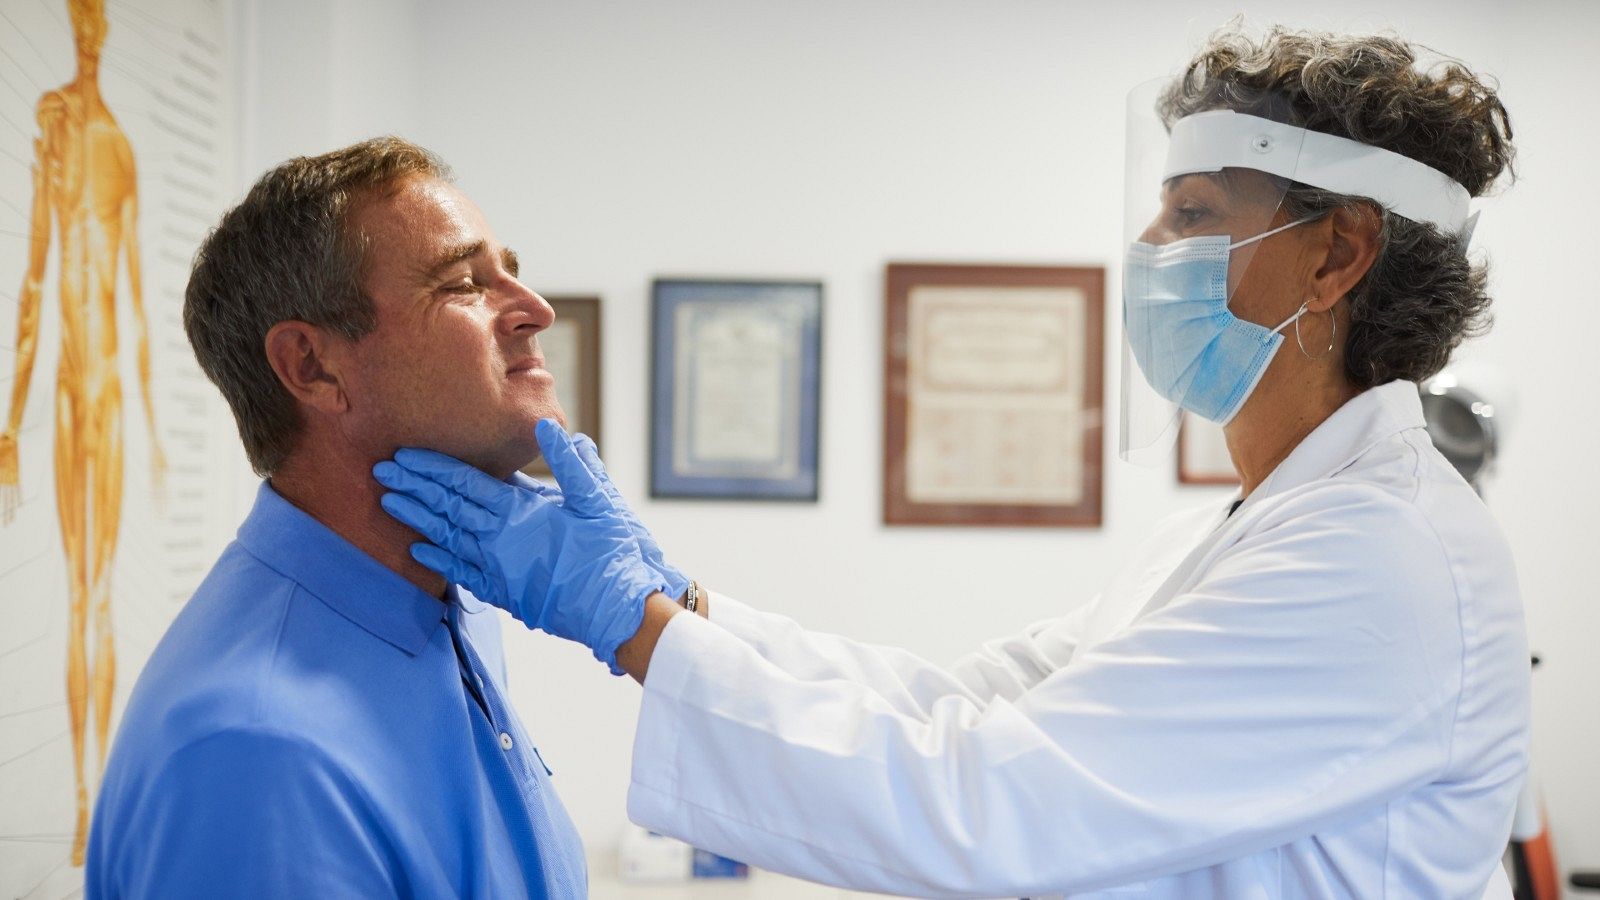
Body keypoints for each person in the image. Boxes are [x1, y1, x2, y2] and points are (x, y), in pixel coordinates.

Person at [377, 26, 1530, 899]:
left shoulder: (1383, 559)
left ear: (1337, 252)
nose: (1146, 251)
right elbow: (964, 704)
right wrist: (675, 605)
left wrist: (630, 623)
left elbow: (988, 800)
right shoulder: (1244, 532)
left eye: (1191, 213)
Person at [87, 138, 600, 896]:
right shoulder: (256, 755)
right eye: (464, 283)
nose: (535, 310)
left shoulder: (440, 613)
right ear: (313, 367)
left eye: (511, 273)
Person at [0, 0, 165, 864]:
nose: (94, 30)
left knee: (98, 599)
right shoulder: (56, 118)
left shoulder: (123, 149)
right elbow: (33, 275)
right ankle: (79, 800)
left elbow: (138, 303)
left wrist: (157, 427)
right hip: (68, 390)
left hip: (106, 392)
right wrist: (9, 424)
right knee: (79, 602)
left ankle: (97, 797)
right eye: (85, 17)